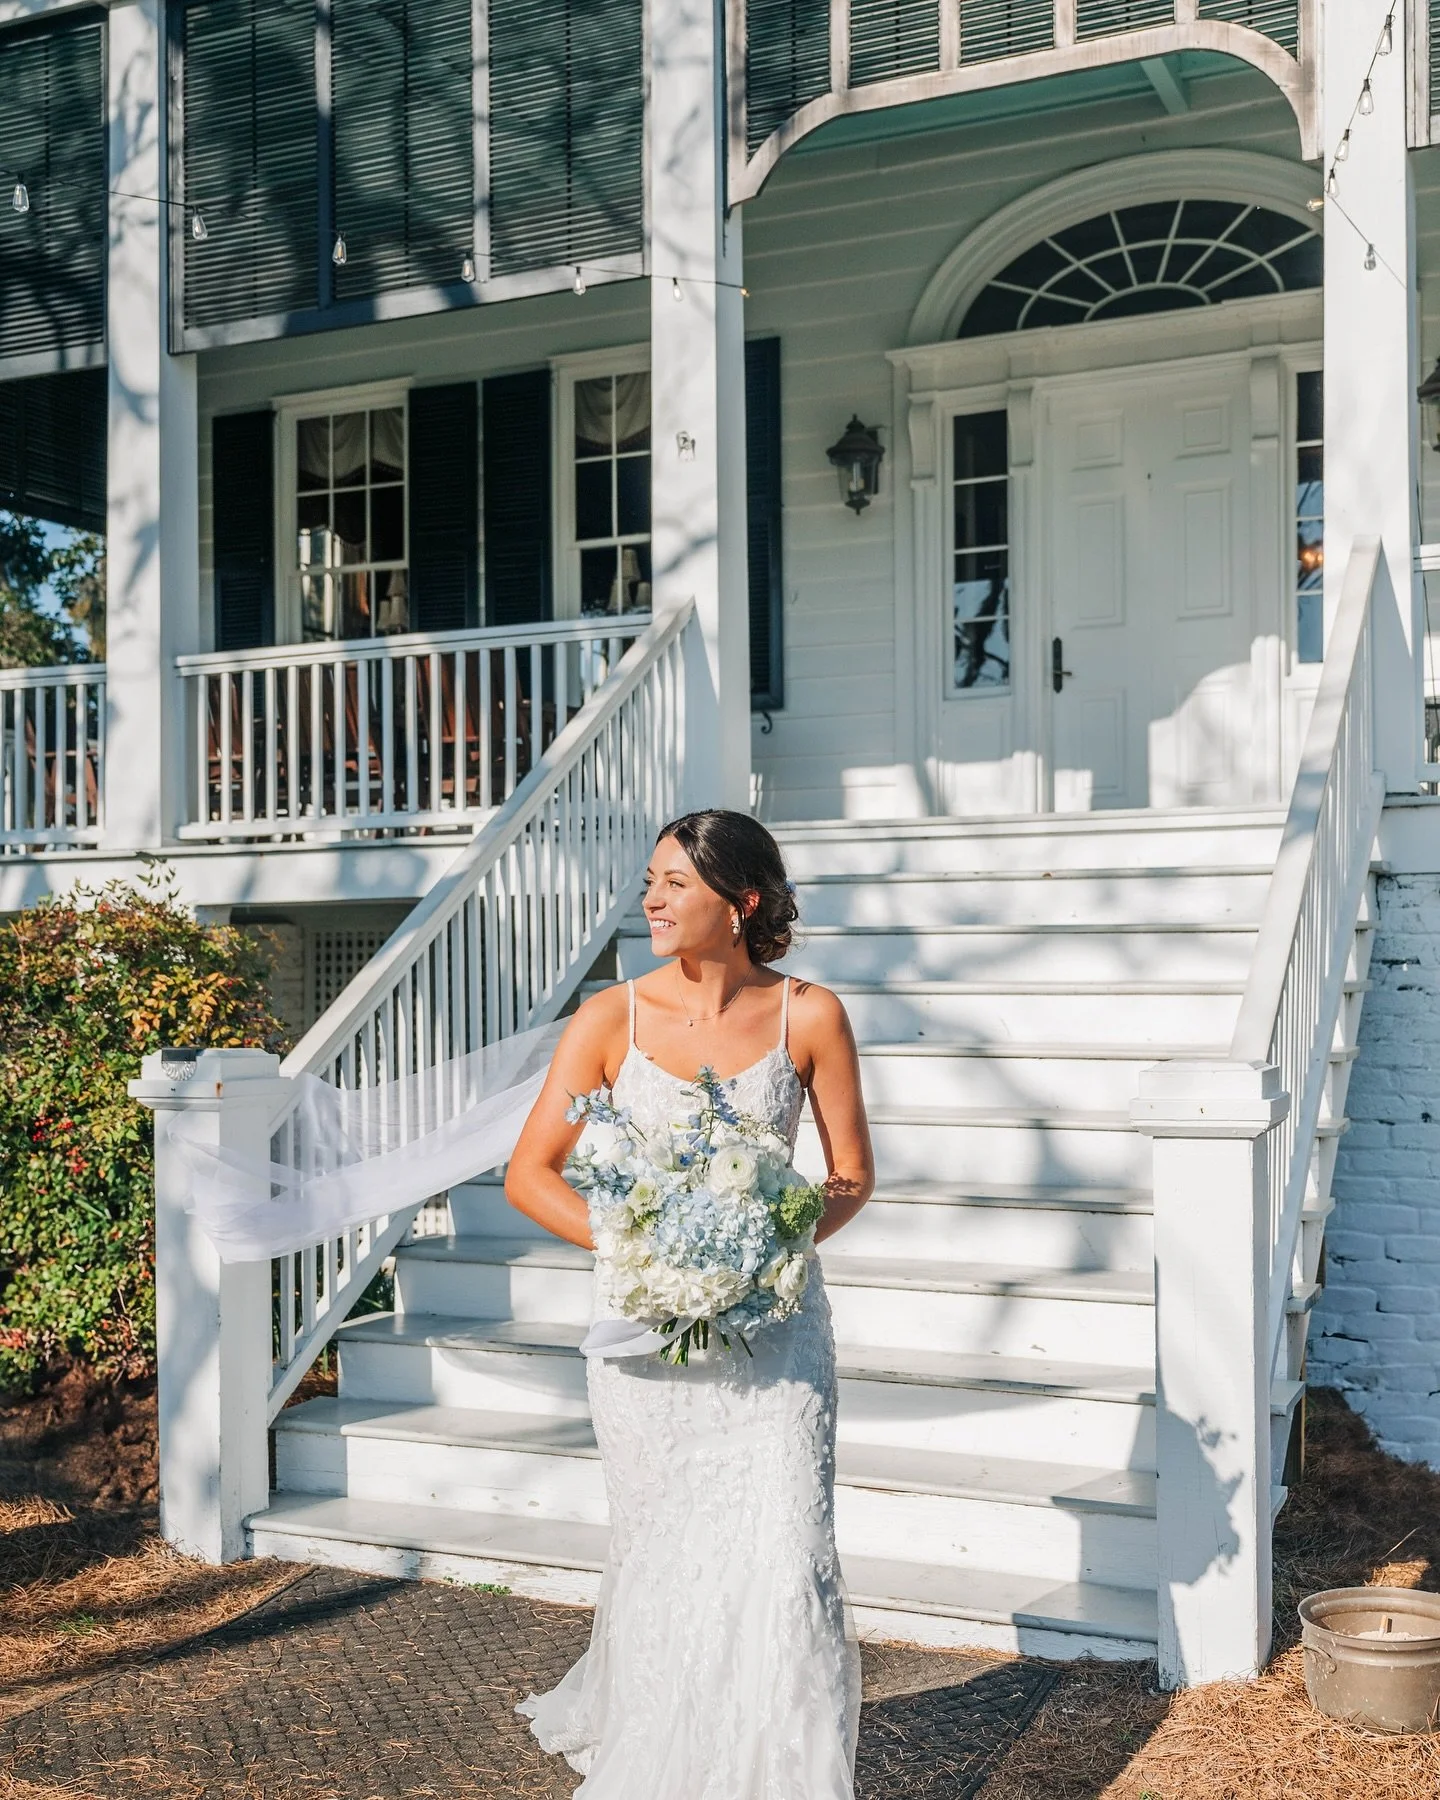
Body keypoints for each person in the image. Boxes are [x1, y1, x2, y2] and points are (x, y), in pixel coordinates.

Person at [504, 807, 875, 1798]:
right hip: (644, 1345)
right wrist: (645, 1251)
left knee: (786, 1555)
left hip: (776, 1339)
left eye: (675, 883)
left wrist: (767, 1251)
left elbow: (848, 1177)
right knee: (667, 1561)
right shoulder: (606, 1019)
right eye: (651, 881)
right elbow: (531, 1175)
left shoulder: (812, 1014)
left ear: (740, 901)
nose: (651, 898)